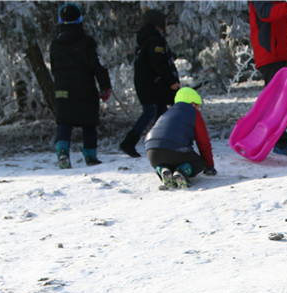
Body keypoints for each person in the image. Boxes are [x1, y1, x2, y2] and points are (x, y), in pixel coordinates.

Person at [49, 2, 111, 169]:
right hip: (85, 89)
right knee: (89, 123)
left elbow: (54, 68)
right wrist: (105, 86)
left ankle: (62, 152)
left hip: (62, 89)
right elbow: (97, 66)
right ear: (80, 20)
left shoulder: (55, 44)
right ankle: (90, 156)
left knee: (63, 122)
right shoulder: (87, 42)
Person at [249, 1, 287, 156]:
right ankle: (276, 141)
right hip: (270, 56)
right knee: (278, 101)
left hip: (282, 55)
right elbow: (267, 13)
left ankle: (277, 140)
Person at [119, 9, 180, 158]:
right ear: (158, 24)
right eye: (164, 22)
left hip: (149, 84)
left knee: (161, 113)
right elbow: (159, 63)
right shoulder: (155, 41)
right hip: (151, 85)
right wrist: (172, 81)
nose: (166, 26)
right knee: (150, 112)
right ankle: (129, 142)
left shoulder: (147, 39)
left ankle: (161, 143)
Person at [145, 87, 216, 189]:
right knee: (199, 163)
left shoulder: (167, 113)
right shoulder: (193, 113)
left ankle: (162, 170)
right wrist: (209, 166)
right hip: (176, 150)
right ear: (192, 103)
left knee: (167, 161)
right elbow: (203, 142)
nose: (198, 108)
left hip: (152, 153)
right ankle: (182, 172)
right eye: (197, 105)